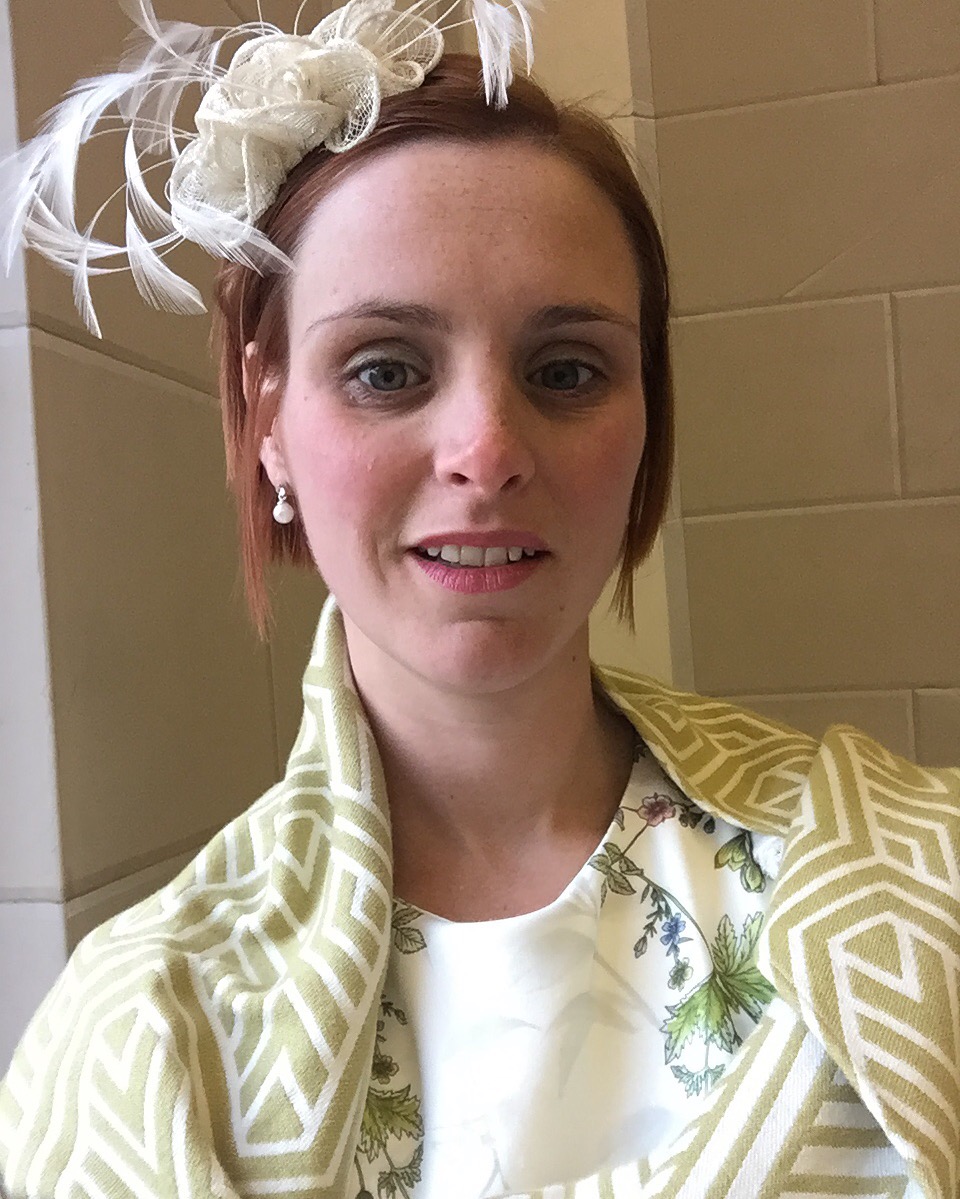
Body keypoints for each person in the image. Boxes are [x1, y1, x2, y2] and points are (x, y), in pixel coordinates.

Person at [1, 2, 957, 1197]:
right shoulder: (143, 1034)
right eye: (385, 369)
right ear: (269, 416)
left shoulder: (924, 875)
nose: (488, 450)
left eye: (565, 369)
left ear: (648, 411)